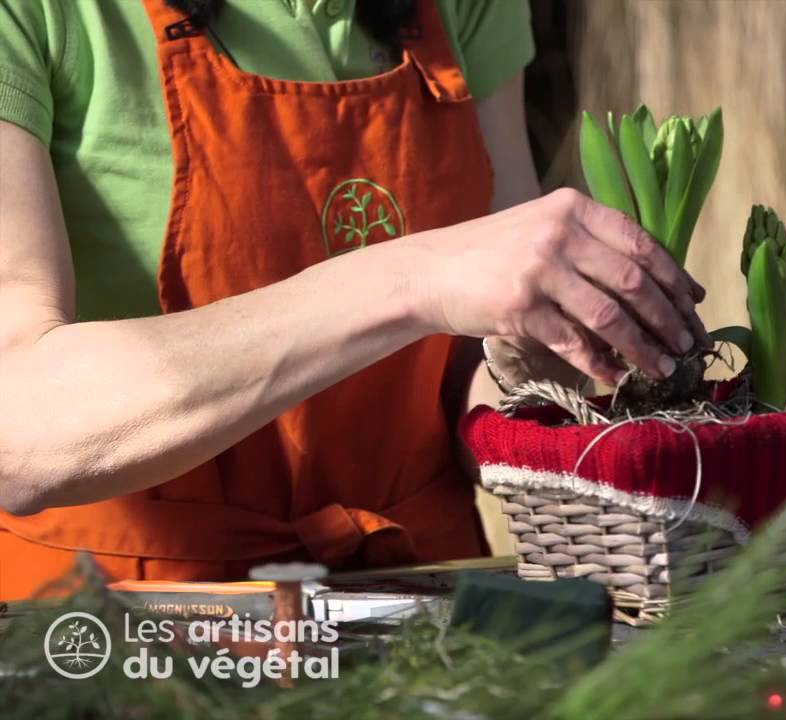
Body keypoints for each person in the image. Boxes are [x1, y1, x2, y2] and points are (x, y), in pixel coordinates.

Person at [0, 0, 707, 599]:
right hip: (115, 624)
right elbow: (20, 429)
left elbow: (473, 351)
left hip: (418, 605)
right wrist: (413, 278)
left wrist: (532, 377)